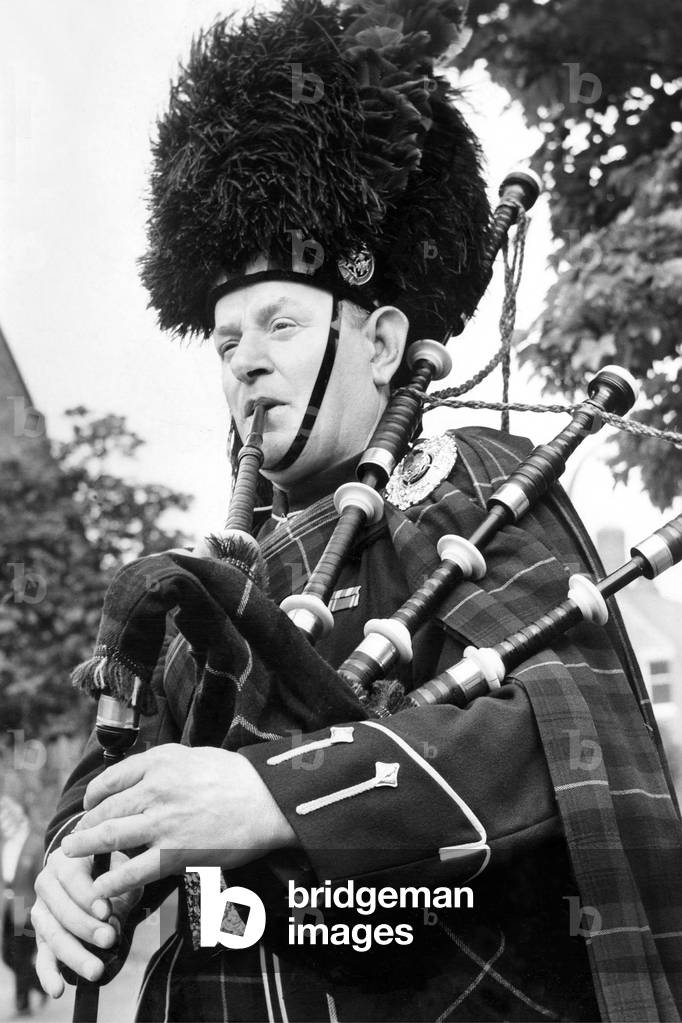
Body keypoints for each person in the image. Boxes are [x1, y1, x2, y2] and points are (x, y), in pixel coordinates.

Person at [31, 1, 682, 1021]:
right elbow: (122, 767)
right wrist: (71, 865)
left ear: (382, 343)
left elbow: (558, 733)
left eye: (279, 323)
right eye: (225, 336)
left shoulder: (470, 480)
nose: (242, 357)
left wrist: (274, 796)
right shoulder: (225, 577)